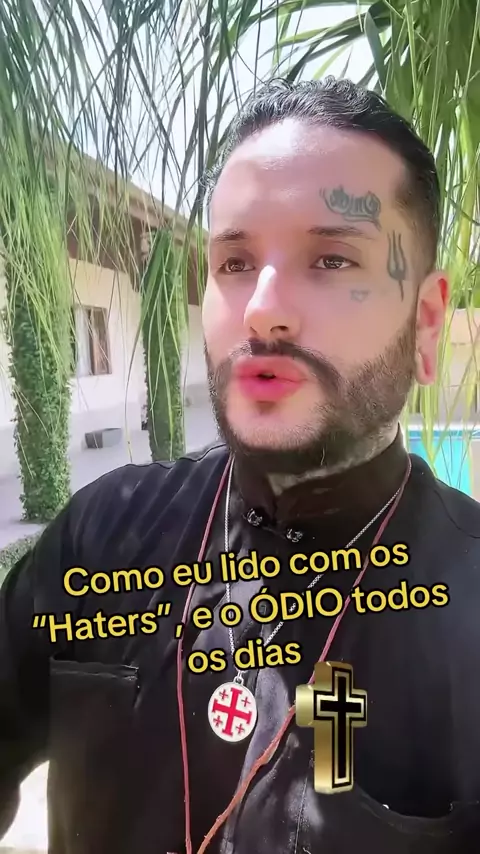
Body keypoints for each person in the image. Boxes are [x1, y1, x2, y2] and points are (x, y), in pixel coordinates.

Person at [1, 76, 480, 854]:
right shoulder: (102, 536)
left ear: (427, 326)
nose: (262, 307)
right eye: (233, 262)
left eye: (331, 258)